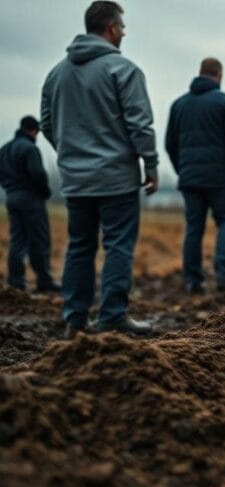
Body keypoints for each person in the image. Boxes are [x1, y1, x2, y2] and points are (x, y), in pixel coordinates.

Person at [41, 1, 158, 338]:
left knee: (79, 246)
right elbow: (141, 124)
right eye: (121, 27)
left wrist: (71, 154)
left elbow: (48, 123)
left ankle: (74, 320)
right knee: (118, 245)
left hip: (75, 180)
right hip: (116, 177)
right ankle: (112, 317)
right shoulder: (124, 70)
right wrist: (149, 164)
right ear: (110, 28)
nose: (123, 33)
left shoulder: (56, 73)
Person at [165, 57, 225, 294]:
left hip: (190, 178)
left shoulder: (179, 105)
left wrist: (182, 170)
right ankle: (224, 275)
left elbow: (169, 144)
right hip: (220, 178)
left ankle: (193, 280)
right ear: (219, 75)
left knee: (194, 227)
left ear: (200, 73)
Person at [0, 116, 59, 293]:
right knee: (40, 240)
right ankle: (44, 281)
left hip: (11, 197)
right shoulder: (29, 148)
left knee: (18, 240)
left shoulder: (4, 149)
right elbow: (38, 174)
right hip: (30, 199)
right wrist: (45, 192)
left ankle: (16, 282)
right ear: (33, 130)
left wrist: (10, 189)